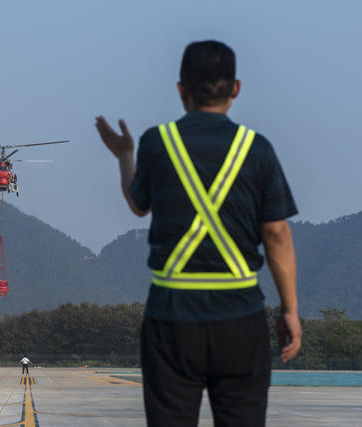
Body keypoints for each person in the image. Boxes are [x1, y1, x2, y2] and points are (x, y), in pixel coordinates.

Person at [96, 40, 302, 426]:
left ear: (181, 89)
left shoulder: (158, 143)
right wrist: (289, 309)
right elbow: (276, 233)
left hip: (171, 318)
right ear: (235, 88)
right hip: (240, 316)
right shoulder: (256, 150)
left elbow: (138, 204)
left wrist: (125, 156)